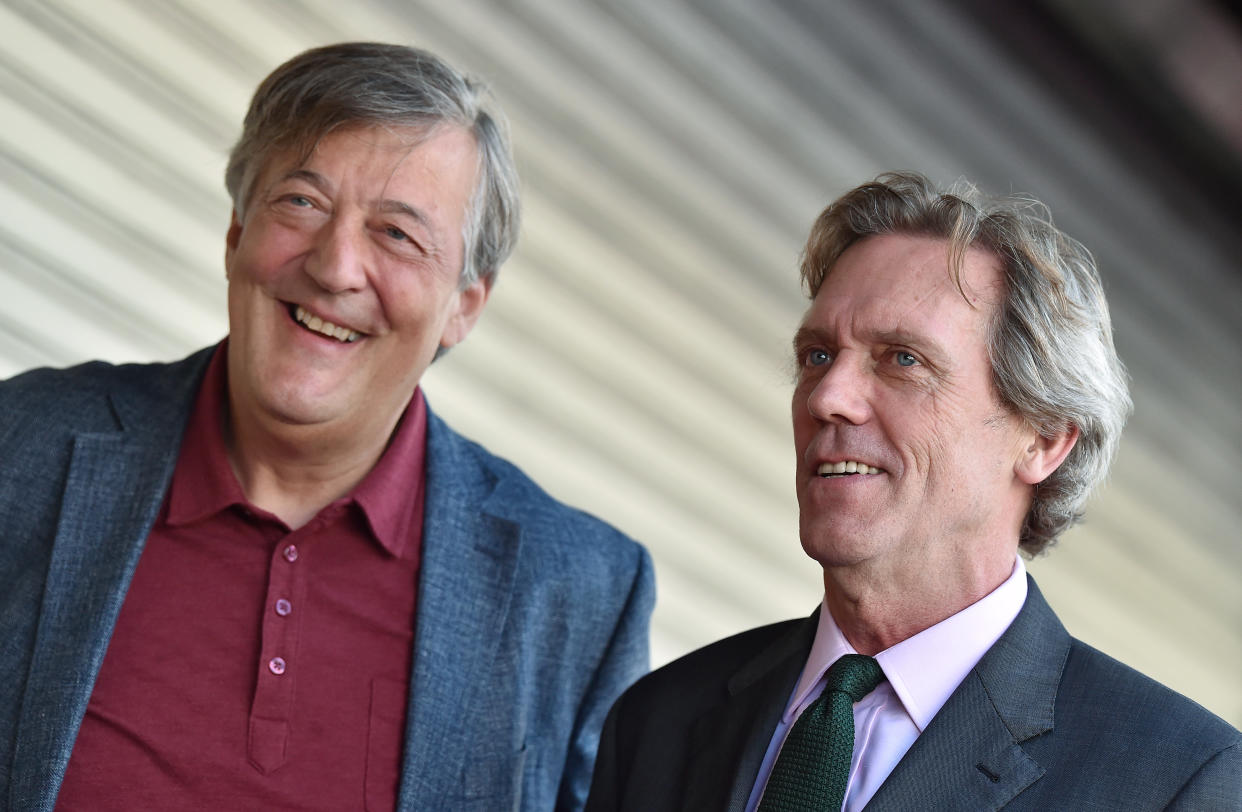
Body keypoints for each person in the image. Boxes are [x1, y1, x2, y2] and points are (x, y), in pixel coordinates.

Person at [0, 42, 653, 811]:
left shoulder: (576, 590)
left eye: (397, 234)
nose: (337, 266)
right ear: (237, 232)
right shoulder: (23, 447)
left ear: (464, 306)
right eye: (301, 202)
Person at [586, 171, 1240, 811]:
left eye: (903, 359)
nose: (828, 398)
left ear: (1043, 438)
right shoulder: (659, 722)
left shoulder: (1176, 783)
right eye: (817, 355)